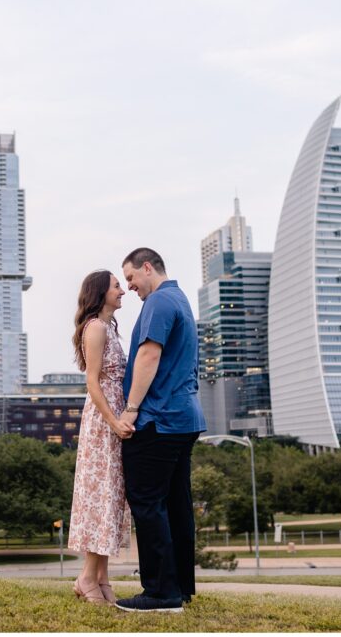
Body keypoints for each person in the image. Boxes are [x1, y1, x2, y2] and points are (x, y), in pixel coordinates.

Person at [114, 248, 206, 613]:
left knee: (147, 501)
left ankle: (161, 593)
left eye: (131, 278)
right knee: (176, 504)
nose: (130, 286)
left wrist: (131, 409)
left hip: (158, 419)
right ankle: (179, 587)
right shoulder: (179, 299)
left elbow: (149, 355)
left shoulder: (159, 302)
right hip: (183, 418)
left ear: (148, 267)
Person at [67, 269, 135, 606]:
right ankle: (86, 578)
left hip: (114, 417)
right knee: (99, 496)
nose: (122, 291)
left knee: (110, 497)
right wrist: (113, 421)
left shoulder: (109, 328)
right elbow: (92, 382)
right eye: (116, 286)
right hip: (102, 420)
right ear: (100, 293)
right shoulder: (95, 327)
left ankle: (101, 578)